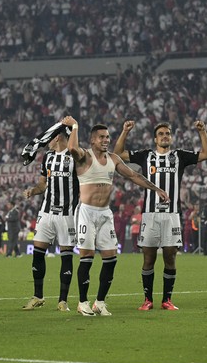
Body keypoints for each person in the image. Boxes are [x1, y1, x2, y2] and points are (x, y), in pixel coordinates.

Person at [62, 116, 169, 316]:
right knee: (86, 257)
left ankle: (100, 302)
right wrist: (74, 126)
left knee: (111, 258)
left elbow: (134, 175)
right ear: (93, 140)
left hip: (105, 213)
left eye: (108, 137)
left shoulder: (113, 159)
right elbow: (71, 149)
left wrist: (157, 189)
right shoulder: (84, 156)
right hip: (86, 212)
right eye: (102, 137)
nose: (106, 140)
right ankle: (83, 302)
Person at [114, 119, 207, 310]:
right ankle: (147, 300)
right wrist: (125, 131)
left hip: (172, 215)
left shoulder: (180, 156)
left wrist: (202, 131)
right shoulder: (146, 156)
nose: (165, 136)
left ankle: (167, 299)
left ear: (171, 137)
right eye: (161, 134)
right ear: (154, 139)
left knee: (170, 257)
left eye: (167, 133)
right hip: (150, 215)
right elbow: (118, 153)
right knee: (148, 258)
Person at [22, 131, 79, 312]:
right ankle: (38, 296)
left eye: (49, 138)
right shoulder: (47, 157)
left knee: (66, 255)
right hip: (46, 212)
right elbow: (42, 184)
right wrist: (33, 190)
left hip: (67, 214)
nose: (46, 142)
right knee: (38, 252)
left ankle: (63, 301)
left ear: (58, 137)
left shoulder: (74, 156)